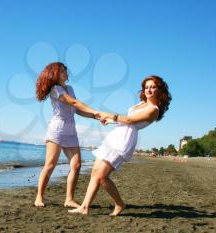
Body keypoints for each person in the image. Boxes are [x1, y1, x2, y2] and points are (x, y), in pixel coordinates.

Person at [68, 75, 172, 216]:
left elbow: (129, 120)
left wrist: (110, 115)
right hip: (116, 134)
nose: (149, 90)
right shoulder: (142, 103)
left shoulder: (154, 110)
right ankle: (84, 207)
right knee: (95, 172)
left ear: (160, 90)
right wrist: (110, 121)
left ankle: (119, 204)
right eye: (146, 87)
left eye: (153, 87)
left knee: (102, 176)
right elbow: (127, 120)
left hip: (125, 140)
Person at [34, 62, 100, 208]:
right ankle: (39, 196)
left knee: (76, 165)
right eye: (62, 71)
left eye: (65, 70)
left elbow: (77, 109)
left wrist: (95, 117)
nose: (66, 73)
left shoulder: (70, 88)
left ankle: (69, 199)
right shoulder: (55, 89)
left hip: (71, 131)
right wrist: (95, 111)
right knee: (50, 165)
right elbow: (73, 102)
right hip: (57, 130)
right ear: (54, 74)